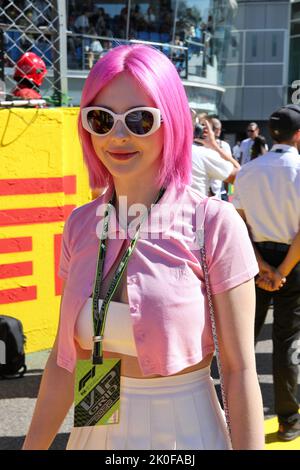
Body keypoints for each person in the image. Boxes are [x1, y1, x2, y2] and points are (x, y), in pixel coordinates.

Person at [23, 44, 264, 450]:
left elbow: (239, 372)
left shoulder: (213, 224)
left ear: (171, 124)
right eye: (101, 119)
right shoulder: (81, 225)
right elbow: (65, 363)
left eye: (139, 120)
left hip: (183, 428)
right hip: (94, 419)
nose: (118, 135)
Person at [233, 104, 300, 442]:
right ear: (299, 134)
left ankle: (234, 415)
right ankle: (288, 420)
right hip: (293, 261)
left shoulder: (248, 170)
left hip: (254, 259)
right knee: (287, 342)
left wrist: (263, 267)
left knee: (243, 342)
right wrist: (282, 271)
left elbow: (240, 223)